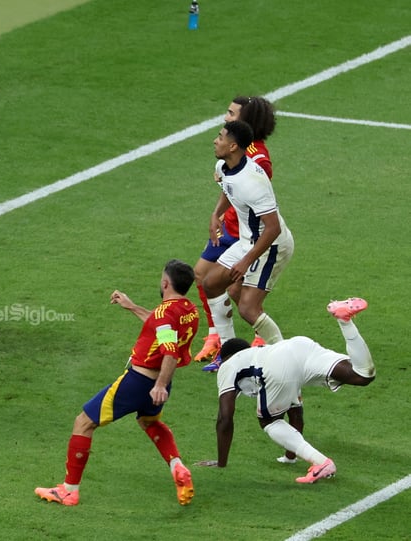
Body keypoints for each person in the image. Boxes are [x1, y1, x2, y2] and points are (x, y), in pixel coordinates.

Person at [35, 260, 200, 507]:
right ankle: (177, 465)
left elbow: (170, 349)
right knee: (149, 422)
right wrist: (131, 306)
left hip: (141, 382)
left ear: (165, 283)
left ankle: (69, 490)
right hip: (159, 384)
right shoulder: (188, 309)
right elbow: (159, 326)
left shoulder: (165, 313)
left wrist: (159, 385)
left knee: (83, 422)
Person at [197, 297, 373, 483]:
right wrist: (290, 456)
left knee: (269, 421)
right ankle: (345, 320)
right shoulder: (260, 352)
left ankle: (322, 462)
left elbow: (225, 417)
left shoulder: (229, 365)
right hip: (299, 346)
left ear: (226, 357)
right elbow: (296, 414)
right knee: (362, 375)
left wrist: (221, 462)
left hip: (279, 364)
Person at [193, 96, 277, 365]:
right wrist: (215, 214)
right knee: (207, 279)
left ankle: (275, 350)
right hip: (235, 231)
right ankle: (222, 344)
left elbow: (270, 224)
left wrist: (247, 257)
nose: (226, 118)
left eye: (231, 114)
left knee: (243, 301)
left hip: (256, 237)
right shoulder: (227, 160)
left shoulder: (257, 164)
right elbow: (228, 185)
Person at [201, 120, 293, 356]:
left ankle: (283, 357)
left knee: (248, 308)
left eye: (220, 137)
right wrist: (216, 214)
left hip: (271, 246)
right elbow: (227, 189)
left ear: (233, 146)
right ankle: (229, 353)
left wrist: (244, 262)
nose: (215, 140)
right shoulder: (224, 166)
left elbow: (273, 229)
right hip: (248, 241)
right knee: (211, 284)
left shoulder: (254, 182)